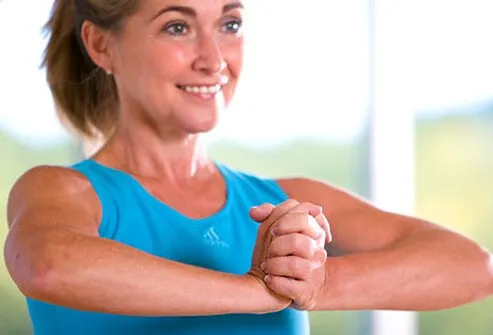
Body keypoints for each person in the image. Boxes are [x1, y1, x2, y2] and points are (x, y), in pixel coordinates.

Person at [3, 0, 493, 334]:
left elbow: (472, 268)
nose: (213, 59)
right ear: (101, 45)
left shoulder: (283, 198)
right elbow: (45, 264)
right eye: (177, 26)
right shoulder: (65, 191)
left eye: (230, 24)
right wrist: (253, 290)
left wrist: (317, 284)